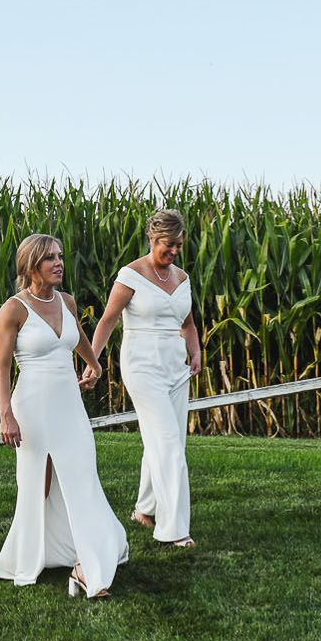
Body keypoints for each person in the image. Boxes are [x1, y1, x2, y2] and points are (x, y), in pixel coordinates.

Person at [0, 233, 128, 599]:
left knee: (83, 476)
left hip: (69, 405)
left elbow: (77, 334)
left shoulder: (66, 300)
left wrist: (93, 363)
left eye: (60, 256)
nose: (59, 263)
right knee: (38, 483)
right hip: (31, 407)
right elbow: (1, 369)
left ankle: (87, 564)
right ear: (31, 265)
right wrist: (6, 416)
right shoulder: (13, 309)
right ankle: (33, 553)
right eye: (50, 258)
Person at [91, 208, 202, 547]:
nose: (174, 253)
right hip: (142, 366)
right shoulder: (131, 275)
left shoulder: (181, 279)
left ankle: (144, 508)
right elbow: (108, 320)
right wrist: (92, 362)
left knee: (168, 440)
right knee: (167, 443)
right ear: (153, 239)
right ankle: (173, 531)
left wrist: (195, 351)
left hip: (175, 369)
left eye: (179, 246)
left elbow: (188, 323)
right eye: (168, 246)